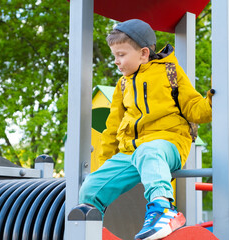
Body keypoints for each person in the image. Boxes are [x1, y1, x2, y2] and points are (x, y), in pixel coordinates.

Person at [78, 19, 213, 240]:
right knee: (91, 187)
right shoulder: (122, 85)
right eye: (114, 56)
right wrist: (106, 167)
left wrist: (212, 101)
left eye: (121, 55)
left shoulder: (170, 72)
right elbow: (112, 128)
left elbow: (195, 108)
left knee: (148, 151)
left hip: (169, 144)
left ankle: (164, 210)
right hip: (133, 152)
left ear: (143, 54)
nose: (116, 61)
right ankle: (91, 231)